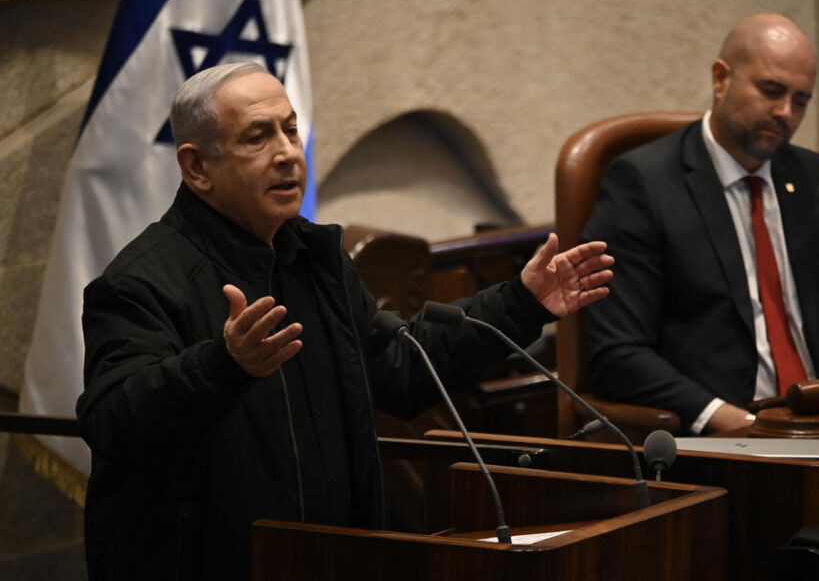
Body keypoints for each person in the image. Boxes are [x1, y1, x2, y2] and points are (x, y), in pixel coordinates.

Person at [76, 61, 614, 581]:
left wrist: (522, 301)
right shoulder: (140, 283)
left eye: (290, 129)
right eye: (257, 137)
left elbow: (403, 369)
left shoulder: (316, 260)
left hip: (335, 558)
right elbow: (113, 420)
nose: (287, 153)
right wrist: (224, 364)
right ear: (197, 167)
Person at [582, 13, 819, 435]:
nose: (785, 113)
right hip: (724, 440)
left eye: (801, 100)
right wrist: (735, 422)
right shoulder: (643, 185)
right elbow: (618, 353)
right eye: (771, 91)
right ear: (721, 79)